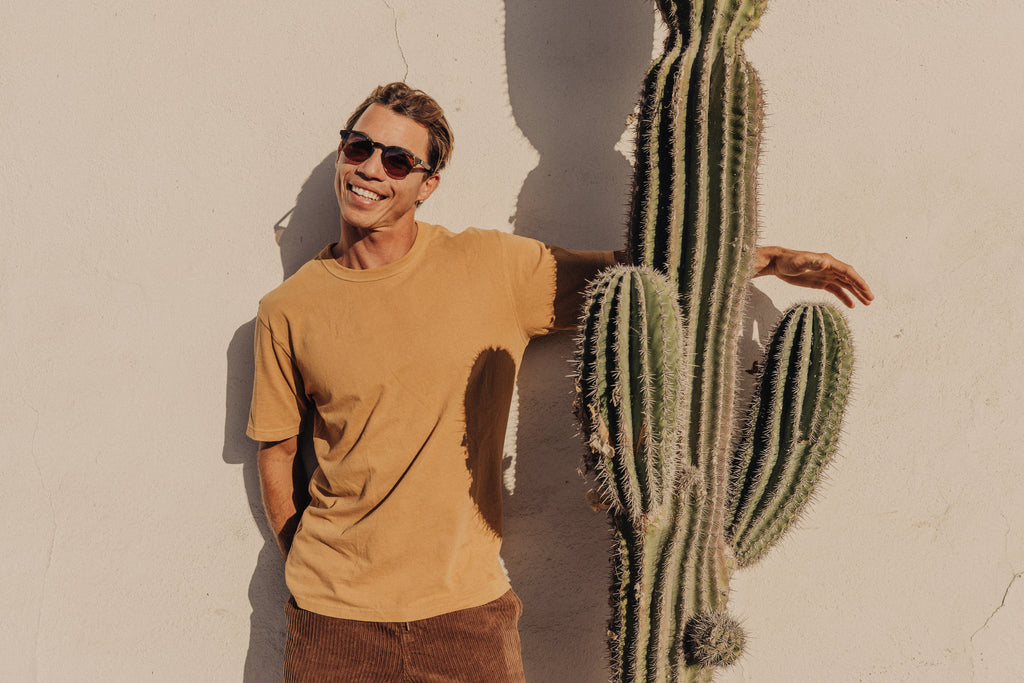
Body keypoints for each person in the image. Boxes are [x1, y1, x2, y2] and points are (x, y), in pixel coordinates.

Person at [247, 82, 874, 682]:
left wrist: (769, 260)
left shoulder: (490, 267)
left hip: (465, 612)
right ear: (342, 151)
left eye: (397, 159)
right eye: (359, 147)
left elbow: (639, 282)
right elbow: (275, 448)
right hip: (334, 623)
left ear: (426, 184)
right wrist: (303, 561)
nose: (370, 170)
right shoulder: (289, 308)